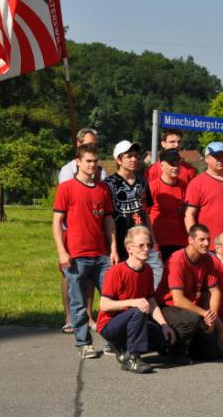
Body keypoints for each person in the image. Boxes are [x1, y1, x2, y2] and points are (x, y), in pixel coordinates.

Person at [52, 143, 118, 358]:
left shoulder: (102, 189)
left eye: (95, 161)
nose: (92, 165)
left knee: (111, 301)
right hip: (76, 254)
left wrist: (114, 248)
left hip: (101, 255)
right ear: (78, 162)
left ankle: (112, 340)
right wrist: (62, 252)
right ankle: (83, 343)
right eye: (88, 161)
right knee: (79, 302)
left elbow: (108, 220)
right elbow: (57, 222)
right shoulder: (66, 188)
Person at [97, 226, 177, 373]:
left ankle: (124, 347)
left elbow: (151, 301)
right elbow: (104, 305)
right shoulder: (116, 272)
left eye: (148, 245)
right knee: (139, 310)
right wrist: (133, 302)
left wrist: (164, 325)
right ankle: (132, 359)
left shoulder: (148, 270)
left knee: (165, 339)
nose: (146, 249)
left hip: (134, 321)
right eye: (141, 246)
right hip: (109, 325)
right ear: (129, 248)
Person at [57, 127, 105, 334]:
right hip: (73, 233)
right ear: (78, 146)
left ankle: (89, 314)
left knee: (92, 276)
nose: (92, 148)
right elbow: (63, 211)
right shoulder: (67, 171)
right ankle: (70, 316)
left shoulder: (101, 171)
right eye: (87, 144)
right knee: (71, 277)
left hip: (95, 232)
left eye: (95, 145)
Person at [155, 224, 222, 360]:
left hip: (191, 308)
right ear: (190, 240)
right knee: (191, 319)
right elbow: (178, 300)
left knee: (211, 354)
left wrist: (211, 318)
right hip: (168, 306)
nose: (207, 243)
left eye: (208, 239)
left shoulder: (208, 259)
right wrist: (204, 313)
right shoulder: (177, 260)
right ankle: (173, 351)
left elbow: (215, 292)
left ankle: (188, 346)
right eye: (202, 240)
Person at [103, 141, 163, 288]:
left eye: (136, 156)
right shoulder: (109, 184)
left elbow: (145, 213)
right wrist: (112, 248)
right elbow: (107, 217)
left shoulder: (142, 182)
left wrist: (154, 241)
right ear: (119, 160)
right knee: (125, 281)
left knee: (157, 270)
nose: (134, 159)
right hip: (122, 240)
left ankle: (147, 303)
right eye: (129, 156)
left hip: (143, 239)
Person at [184, 141, 223, 246]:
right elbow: (189, 214)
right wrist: (195, 241)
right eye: (216, 156)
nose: (220, 159)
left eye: (222, 155)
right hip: (208, 246)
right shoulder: (197, 183)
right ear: (206, 159)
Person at [147, 148, 189, 264]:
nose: (175, 167)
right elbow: (144, 215)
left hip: (181, 242)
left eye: (177, 163)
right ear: (162, 166)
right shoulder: (152, 187)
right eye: (171, 164)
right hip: (160, 243)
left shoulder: (185, 187)